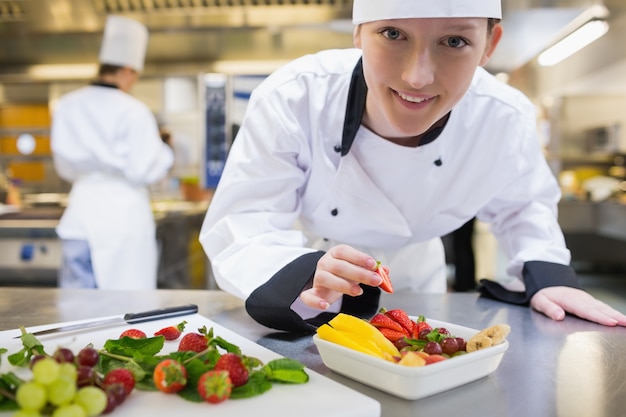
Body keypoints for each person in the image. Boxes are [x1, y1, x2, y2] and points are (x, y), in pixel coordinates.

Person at [200, 0, 626, 333]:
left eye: (454, 41)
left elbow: (524, 208)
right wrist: (306, 273)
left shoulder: (503, 115)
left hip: (421, 286)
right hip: (314, 287)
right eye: (392, 34)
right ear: (358, 34)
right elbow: (244, 222)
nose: (418, 76)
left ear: (490, 46)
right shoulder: (295, 97)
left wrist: (549, 275)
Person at [51, 15, 174, 290]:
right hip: (124, 221)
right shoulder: (134, 111)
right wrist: (165, 151)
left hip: (79, 219)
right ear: (128, 70)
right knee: (125, 311)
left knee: (76, 312)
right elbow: (144, 171)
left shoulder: (67, 105)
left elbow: (65, 168)